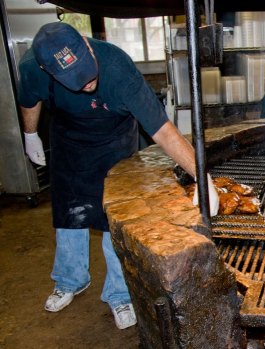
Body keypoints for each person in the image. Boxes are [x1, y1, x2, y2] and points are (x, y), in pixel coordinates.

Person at [18, 22, 218, 330]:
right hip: (69, 139)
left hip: (114, 140)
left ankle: (119, 293)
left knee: (116, 214)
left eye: (89, 72)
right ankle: (71, 280)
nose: (88, 83)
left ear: (86, 45)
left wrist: (202, 179)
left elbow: (164, 131)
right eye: (77, 80)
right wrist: (30, 135)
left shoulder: (117, 68)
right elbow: (29, 100)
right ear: (48, 71)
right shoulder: (33, 67)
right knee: (69, 211)